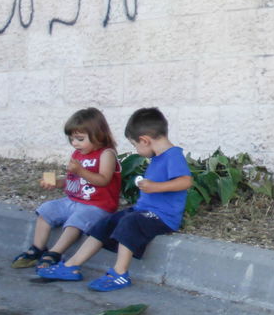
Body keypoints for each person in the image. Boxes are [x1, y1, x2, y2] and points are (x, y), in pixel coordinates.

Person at [37, 107, 192, 291]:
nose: (137, 149)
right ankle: (71, 266)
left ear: (145, 140)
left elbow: (185, 181)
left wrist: (156, 187)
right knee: (107, 223)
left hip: (162, 217)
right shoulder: (158, 156)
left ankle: (120, 273)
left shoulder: (173, 155)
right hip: (143, 211)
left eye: (135, 146)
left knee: (129, 223)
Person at [11, 108, 121, 269]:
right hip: (73, 200)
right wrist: (57, 182)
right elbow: (73, 179)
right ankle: (37, 248)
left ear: (98, 135)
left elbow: (104, 180)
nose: (75, 143)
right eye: (72, 139)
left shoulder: (106, 154)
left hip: (98, 205)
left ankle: (55, 253)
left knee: (75, 222)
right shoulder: (78, 154)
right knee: (46, 210)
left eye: (80, 139)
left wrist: (81, 171)